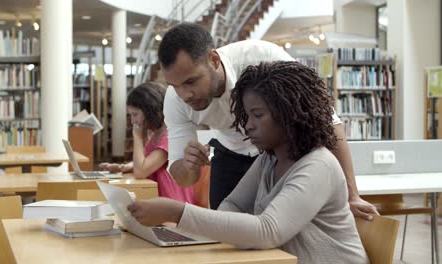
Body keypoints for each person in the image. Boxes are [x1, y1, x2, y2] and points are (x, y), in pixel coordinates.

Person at [128, 61, 369, 263]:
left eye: (258, 115)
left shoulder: (318, 165)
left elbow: (268, 230)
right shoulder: (269, 159)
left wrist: (177, 212)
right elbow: (232, 204)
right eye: (247, 115)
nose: (248, 125)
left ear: (290, 114)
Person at [158, 22, 378, 219]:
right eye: (175, 85)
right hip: (229, 152)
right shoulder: (175, 100)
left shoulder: (261, 58)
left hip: (279, 153)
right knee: (223, 229)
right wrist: (190, 168)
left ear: (213, 60)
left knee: (284, 231)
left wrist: (353, 195)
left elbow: (327, 120)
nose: (185, 94)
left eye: (191, 81)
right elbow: (182, 176)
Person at [99, 82, 195, 204]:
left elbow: (141, 171)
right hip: (160, 199)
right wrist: (126, 167)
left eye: (135, 114)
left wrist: (137, 137)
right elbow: (148, 162)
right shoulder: (157, 133)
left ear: (150, 110)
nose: (133, 121)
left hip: (173, 203)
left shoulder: (170, 136)